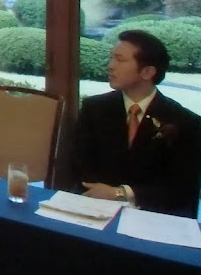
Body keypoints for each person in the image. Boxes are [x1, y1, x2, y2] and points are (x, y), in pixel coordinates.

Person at [73, 29, 201, 217]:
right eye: (111, 58)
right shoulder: (94, 108)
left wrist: (120, 193)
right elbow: (80, 164)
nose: (110, 66)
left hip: (154, 215)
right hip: (96, 208)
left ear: (148, 72)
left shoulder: (184, 122)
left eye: (120, 60)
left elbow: (182, 188)